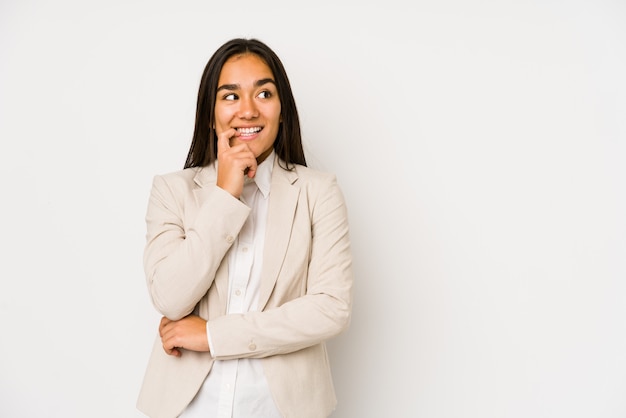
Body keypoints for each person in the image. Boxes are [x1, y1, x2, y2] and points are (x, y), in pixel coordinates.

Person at [136, 38, 353, 418]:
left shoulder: (318, 191)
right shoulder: (172, 190)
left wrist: (213, 336)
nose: (248, 111)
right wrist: (224, 194)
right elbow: (170, 298)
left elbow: (331, 308)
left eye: (264, 93)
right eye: (230, 96)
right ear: (210, 113)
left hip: (282, 407)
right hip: (186, 406)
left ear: (282, 110)